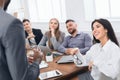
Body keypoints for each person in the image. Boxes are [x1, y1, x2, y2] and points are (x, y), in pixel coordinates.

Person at [0, 0, 42, 80]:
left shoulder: (38, 31)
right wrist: (36, 61)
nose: (26, 26)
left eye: (27, 24)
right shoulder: (12, 24)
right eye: (24, 24)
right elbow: (23, 78)